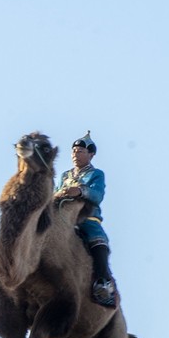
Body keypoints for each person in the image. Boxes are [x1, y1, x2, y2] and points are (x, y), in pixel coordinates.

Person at [54, 130, 116, 306]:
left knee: (97, 238)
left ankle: (103, 283)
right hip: (61, 217)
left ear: (91, 155)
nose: (76, 154)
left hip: (86, 217)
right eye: (74, 151)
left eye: (80, 151)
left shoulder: (96, 174)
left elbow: (97, 195)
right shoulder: (65, 176)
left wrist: (80, 191)